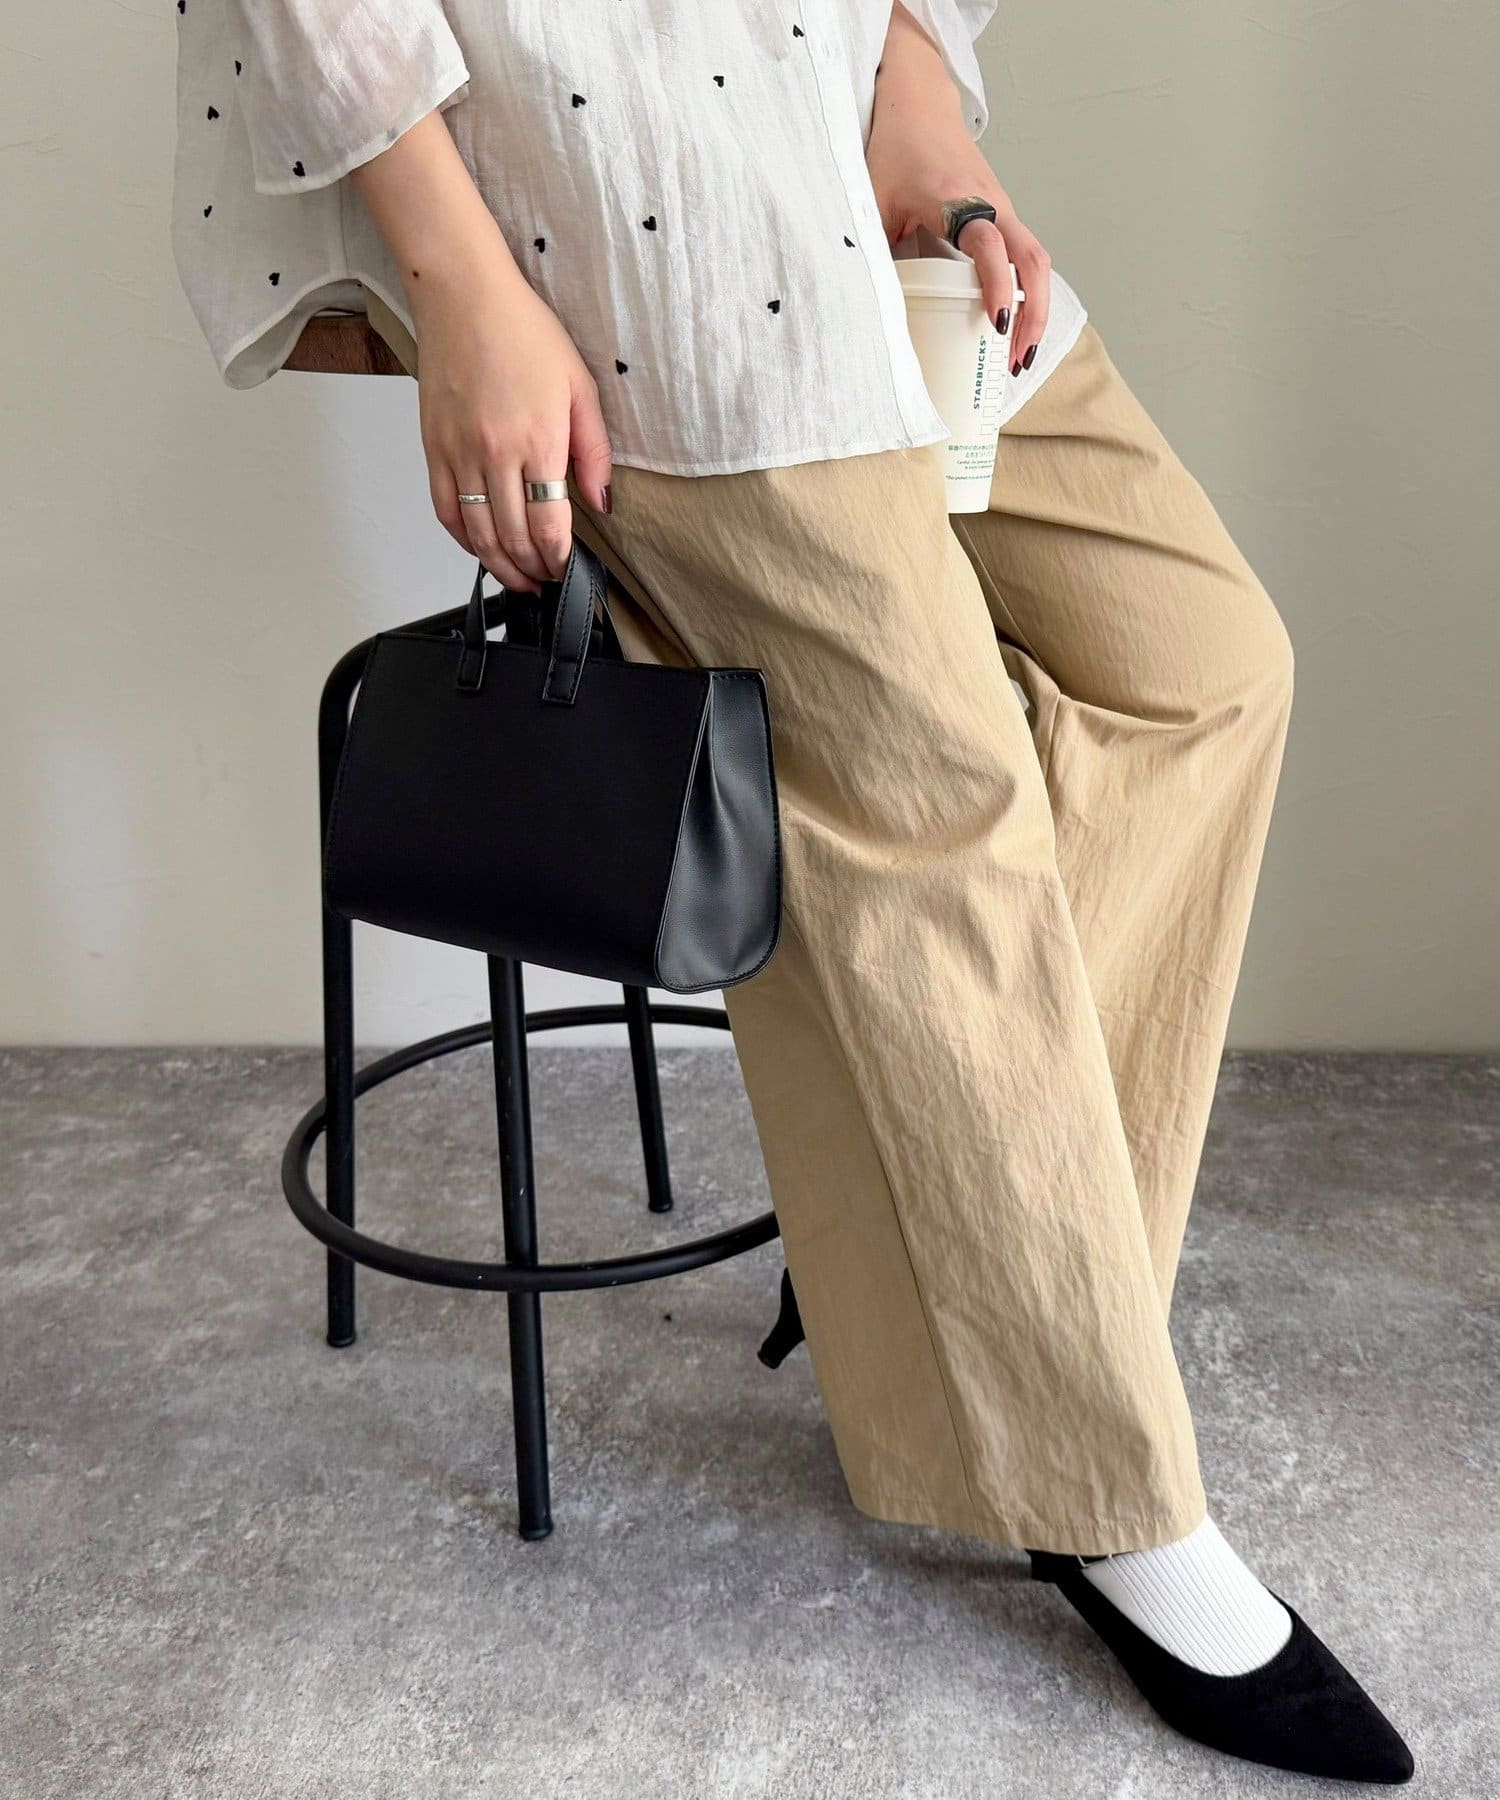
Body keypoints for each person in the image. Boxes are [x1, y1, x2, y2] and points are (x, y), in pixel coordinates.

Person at [172, 2, 1412, 1781]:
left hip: (836, 169)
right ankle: (1103, 1497)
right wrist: (460, 279)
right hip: (620, 194)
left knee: (1198, 668)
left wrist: (925, 128)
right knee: (934, 810)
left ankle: (940, 1271)